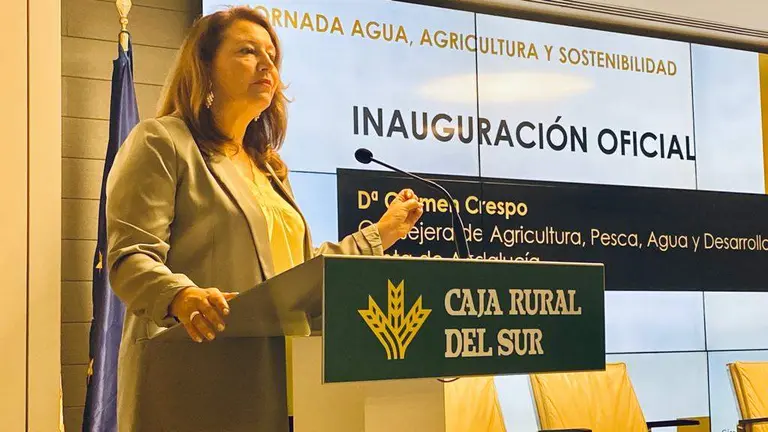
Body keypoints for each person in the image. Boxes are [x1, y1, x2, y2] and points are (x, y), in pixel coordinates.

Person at [105, 6, 424, 432]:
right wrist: (181, 296)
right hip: (195, 384)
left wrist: (380, 235)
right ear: (205, 66)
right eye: (247, 51)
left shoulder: (270, 168)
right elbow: (130, 258)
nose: (266, 65)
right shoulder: (163, 142)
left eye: (272, 55)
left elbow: (297, 271)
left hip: (282, 384)